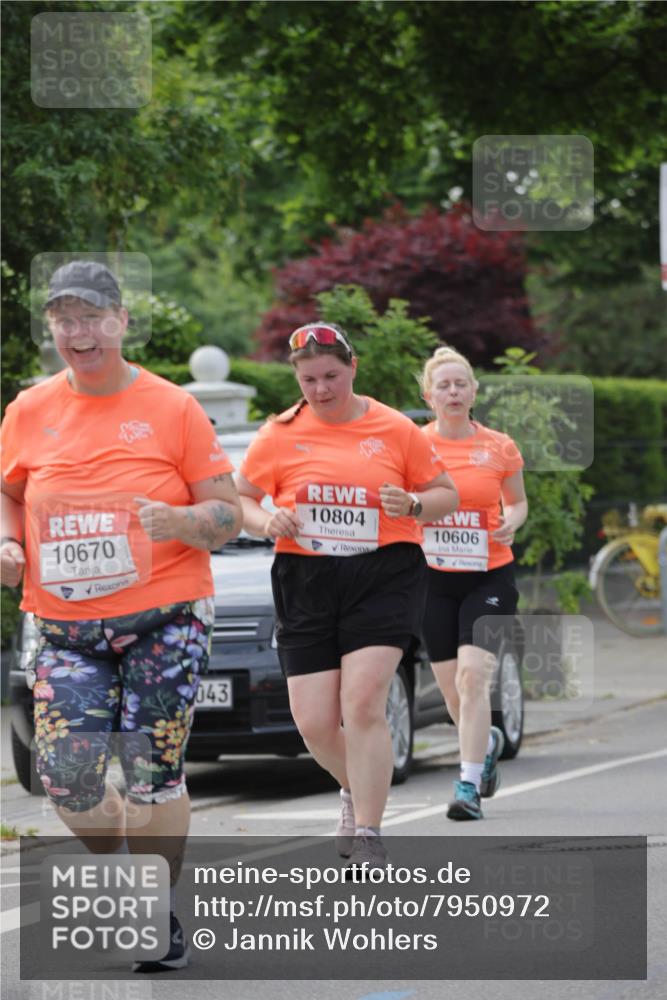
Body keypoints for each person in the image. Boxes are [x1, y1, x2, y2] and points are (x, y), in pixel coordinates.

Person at [0, 260, 243, 971]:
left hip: (165, 618)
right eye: (64, 320)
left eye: (93, 318)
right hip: (64, 627)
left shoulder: (173, 407)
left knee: (150, 771)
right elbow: (8, 492)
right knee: (65, 778)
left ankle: (155, 905)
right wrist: (9, 541)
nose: (79, 333)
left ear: (121, 321)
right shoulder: (29, 410)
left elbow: (227, 514)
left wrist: (182, 519)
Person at [235, 323, 458, 870]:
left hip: (384, 574)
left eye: (331, 376)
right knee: (313, 722)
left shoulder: (395, 427)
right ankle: (355, 788)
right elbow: (241, 499)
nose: (321, 389)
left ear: (352, 368)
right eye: (309, 379)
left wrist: (412, 505)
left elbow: (445, 494)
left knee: (361, 703)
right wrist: (266, 521)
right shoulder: (279, 433)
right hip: (306, 578)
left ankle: (369, 835)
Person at [418, 346, 528, 820]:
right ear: (429, 396)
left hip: (489, 576)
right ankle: (485, 744)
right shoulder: (414, 445)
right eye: (443, 385)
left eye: (460, 384)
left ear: (474, 391)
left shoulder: (499, 446)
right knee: (452, 693)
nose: (453, 392)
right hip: (433, 579)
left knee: (472, 676)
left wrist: (511, 523)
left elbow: (517, 502)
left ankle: (467, 786)